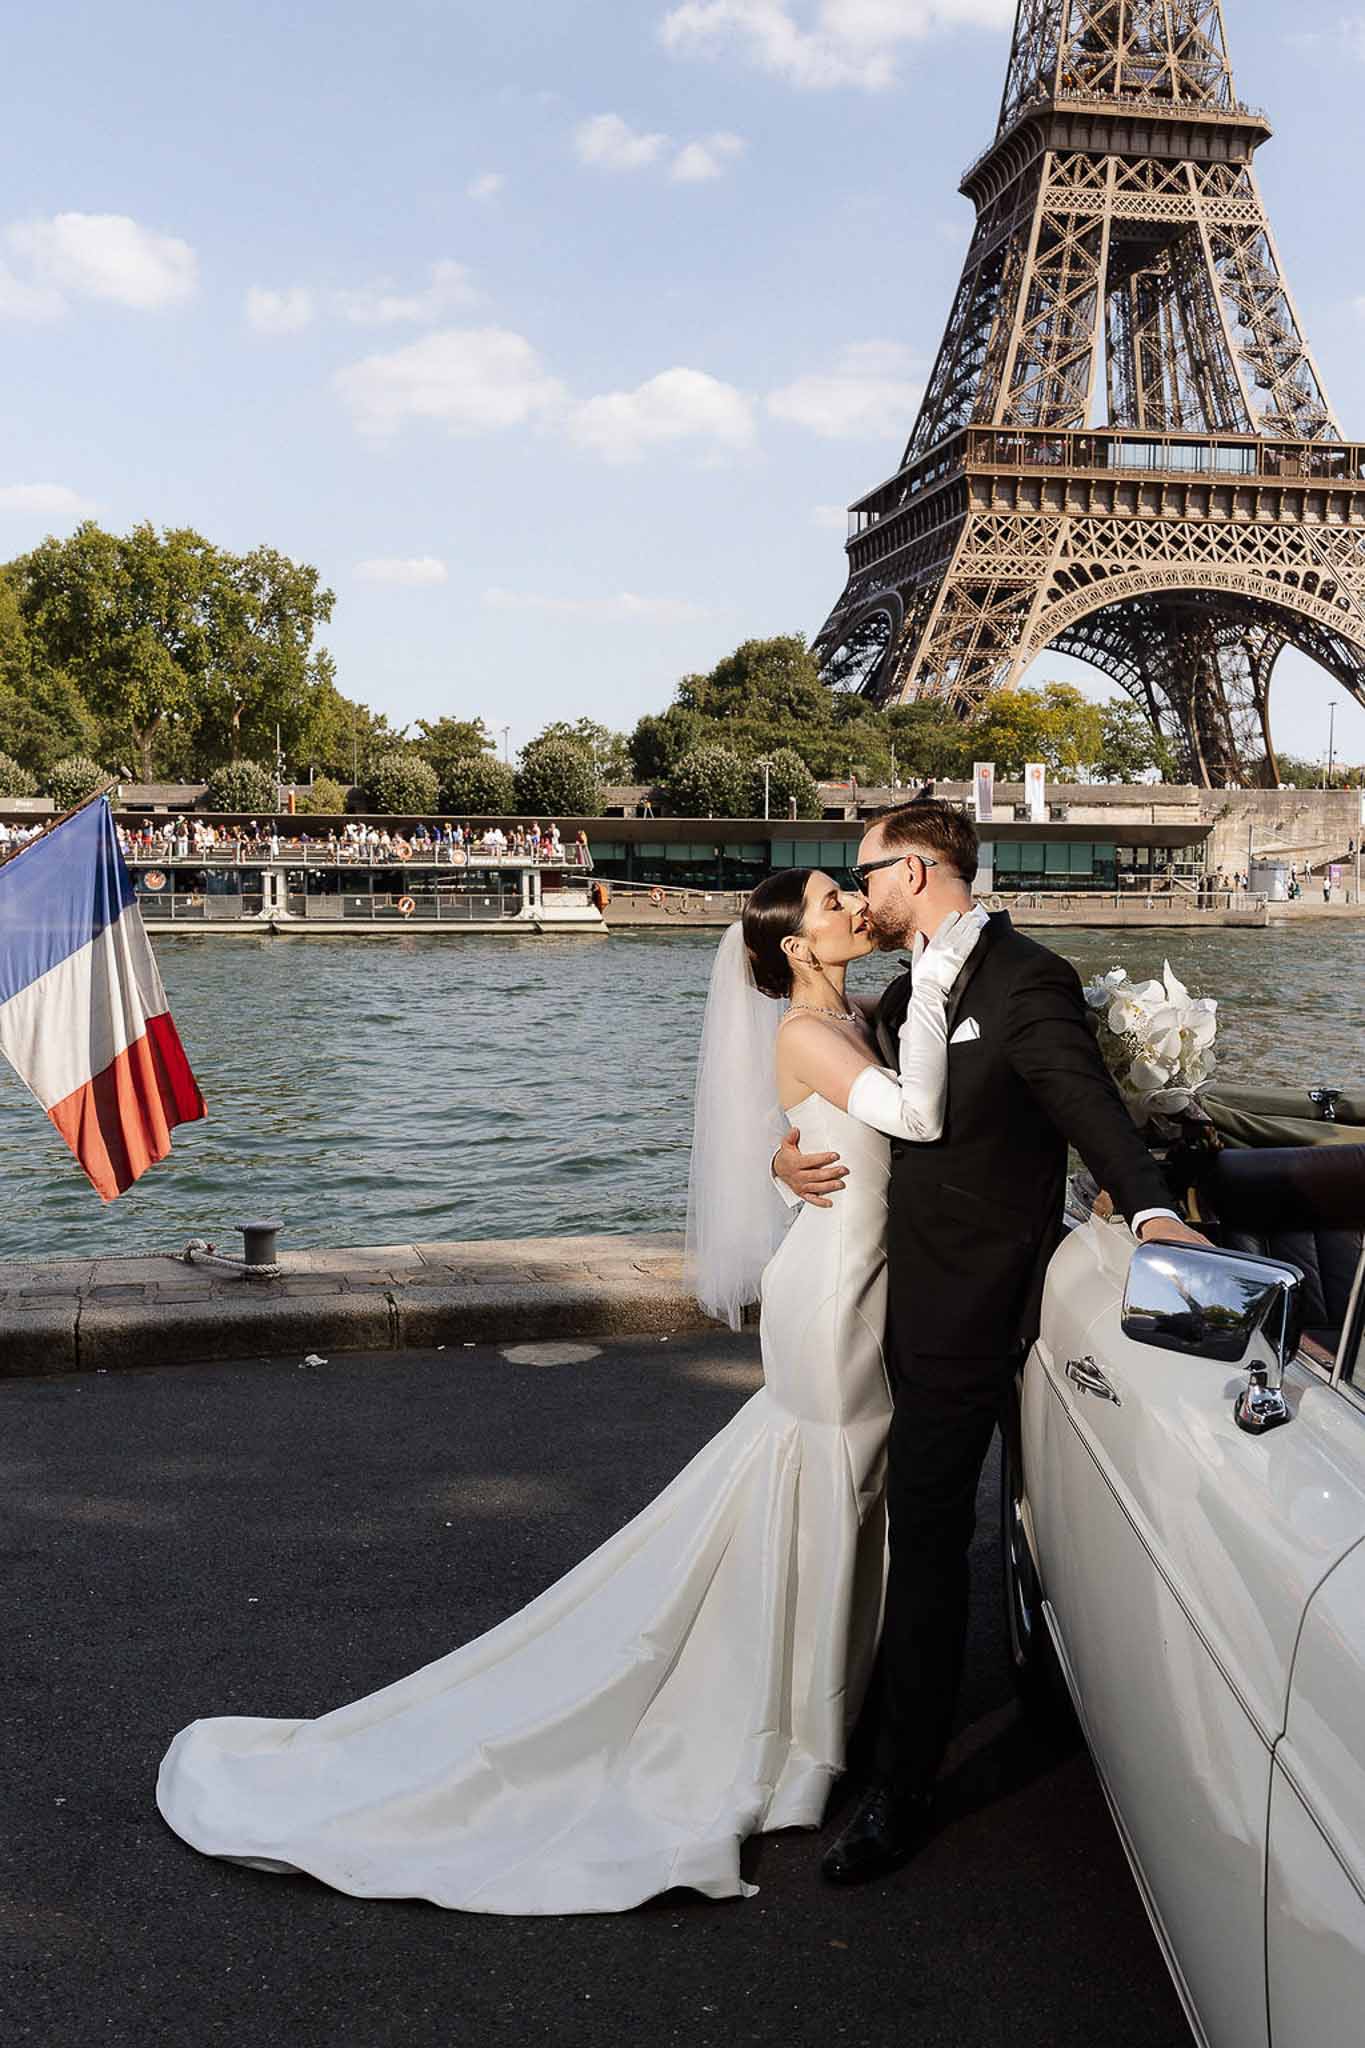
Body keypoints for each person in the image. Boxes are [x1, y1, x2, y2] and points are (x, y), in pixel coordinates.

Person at [154, 864, 983, 1914]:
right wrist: (942, 960)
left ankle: (820, 1713)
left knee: (850, 1492)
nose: (852, 905)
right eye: (831, 901)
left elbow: (837, 1134)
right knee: (832, 1486)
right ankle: (797, 1735)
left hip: (857, 1283)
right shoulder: (808, 1031)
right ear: (796, 947)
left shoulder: (855, 1011)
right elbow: (912, 1115)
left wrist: (788, 1156)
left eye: (843, 889)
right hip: (830, 1302)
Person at [773, 801, 1206, 1884]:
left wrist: (1152, 1208)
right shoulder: (910, 983)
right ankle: (903, 1751)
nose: (855, 887)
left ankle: (902, 1787)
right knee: (926, 1533)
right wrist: (782, 1159)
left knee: (937, 1529)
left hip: (979, 1297)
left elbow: (1083, 1103)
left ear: (914, 870)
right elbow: (834, 1098)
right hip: (892, 1297)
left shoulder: (1027, 977)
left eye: (862, 870)